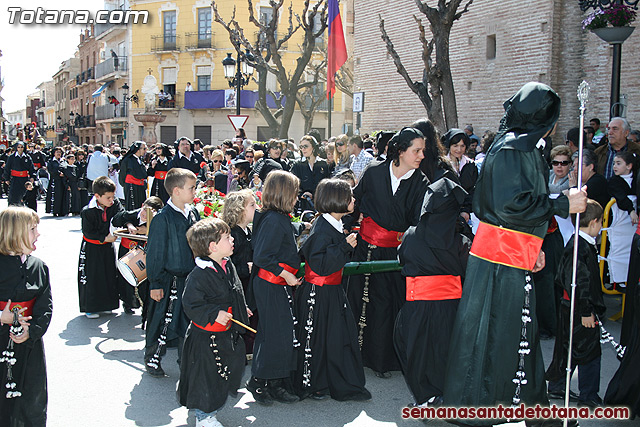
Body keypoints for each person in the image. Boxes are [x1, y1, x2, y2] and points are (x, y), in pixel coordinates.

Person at [443, 82, 587, 427]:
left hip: (509, 252)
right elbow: (510, 205)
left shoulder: (517, 146)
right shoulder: (513, 149)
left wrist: (531, 246)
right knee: (499, 332)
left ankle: (534, 410)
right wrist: (564, 202)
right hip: (498, 258)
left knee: (521, 330)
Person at [348, 127, 429, 377]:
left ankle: (382, 361)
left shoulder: (420, 182)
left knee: (386, 306)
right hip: (364, 249)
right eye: (416, 150)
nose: (421, 156)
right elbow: (355, 203)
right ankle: (353, 355)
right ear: (400, 151)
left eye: (423, 151)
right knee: (356, 301)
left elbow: (418, 222)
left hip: (394, 256)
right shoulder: (373, 172)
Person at [293, 178, 371, 402]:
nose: (354, 200)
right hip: (319, 292)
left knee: (333, 337)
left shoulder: (332, 224)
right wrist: (345, 246)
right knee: (318, 339)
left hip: (331, 291)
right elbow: (320, 265)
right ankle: (314, 384)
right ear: (336, 200)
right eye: (350, 196)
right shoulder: (323, 228)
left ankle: (326, 381)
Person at [395, 178, 471, 408]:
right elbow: (470, 271)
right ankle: (445, 397)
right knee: (447, 354)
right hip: (451, 309)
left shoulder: (410, 235)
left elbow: (403, 259)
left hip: (416, 308)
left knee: (416, 353)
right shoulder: (461, 241)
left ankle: (426, 398)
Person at [177, 218, 250, 427]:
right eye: (227, 237)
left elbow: (235, 291)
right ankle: (203, 417)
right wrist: (213, 313)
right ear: (212, 246)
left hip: (224, 333)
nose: (232, 239)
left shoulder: (227, 265)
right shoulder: (198, 275)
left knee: (221, 374)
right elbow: (190, 304)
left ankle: (210, 410)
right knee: (205, 377)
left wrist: (239, 308)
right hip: (205, 337)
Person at [246, 170, 302, 405]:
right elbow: (262, 256)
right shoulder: (274, 219)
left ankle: (273, 381)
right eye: (295, 193)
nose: (297, 197)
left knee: (278, 335)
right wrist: (287, 275)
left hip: (274, 283)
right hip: (271, 283)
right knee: (274, 335)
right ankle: (260, 381)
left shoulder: (275, 217)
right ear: (284, 193)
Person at [546, 200, 606, 408]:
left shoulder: (575, 243)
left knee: (566, 347)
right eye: (601, 223)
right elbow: (580, 282)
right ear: (595, 222)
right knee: (590, 352)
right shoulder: (581, 247)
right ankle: (588, 394)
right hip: (580, 308)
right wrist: (586, 310)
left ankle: (557, 384)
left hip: (569, 305)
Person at [0, 206, 52, 426]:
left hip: (29, 346)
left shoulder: (39, 267)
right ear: (15, 232)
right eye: (32, 229)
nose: (38, 234)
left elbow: (45, 307)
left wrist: (32, 331)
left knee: (32, 400)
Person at [145, 168, 199, 377]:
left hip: (190, 277)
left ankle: (186, 361)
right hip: (169, 280)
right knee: (162, 320)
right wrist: (156, 283)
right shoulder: (162, 218)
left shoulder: (192, 212)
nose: (195, 191)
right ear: (176, 191)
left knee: (188, 321)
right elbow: (155, 253)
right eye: (191, 188)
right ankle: (153, 357)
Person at [78, 176, 124, 319]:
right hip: (92, 247)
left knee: (109, 273)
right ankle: (90, 307)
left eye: (113, 197)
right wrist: (104, 238)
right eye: (108, 198)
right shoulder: (88, 211)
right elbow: (88, 233)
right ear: (97, 196)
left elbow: (121, 215)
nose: (111, 200)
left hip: (107, 246)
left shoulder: (114, 204)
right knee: (93, 276)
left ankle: (107, 304)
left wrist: (127, 224)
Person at [112, 196, 164, 317]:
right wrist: (129, 224)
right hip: (127, 250)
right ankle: (128, 302)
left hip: (144, 253)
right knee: (124, 278)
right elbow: (117, 219)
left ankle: (145, 307)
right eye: (145, 210)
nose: (145, 214)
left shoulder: (157, 220)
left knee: (144, 281)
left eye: (150, 212)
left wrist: (146, 230)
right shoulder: (132, 214)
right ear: (142, 206)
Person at [222, 190, 257, 356]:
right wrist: (246, 268)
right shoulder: (234, 233)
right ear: (239, 210)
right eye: (252, 205)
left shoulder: (247, 231)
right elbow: (228, 264)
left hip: (247, 282)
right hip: (240, 283)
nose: (256, 207)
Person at [605, 151, 637, 291]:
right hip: (619, 223)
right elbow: (620, 197)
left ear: (629, 166)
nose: (614, 167)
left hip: (632, 225)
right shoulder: (613, 181)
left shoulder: (636, 179)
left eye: (618, 163)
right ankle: (617, 280)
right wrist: (631, 210)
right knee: (617, 250)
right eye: (613, 163)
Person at [290, 135, 331, 211]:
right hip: (303, 205)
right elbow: (292, 184)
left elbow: (327, 184)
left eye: (305, 146)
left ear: (313, 147)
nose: (303, 149)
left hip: (321, 204)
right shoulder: (297, 164)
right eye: (301, 147)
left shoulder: (323, 164)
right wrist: (302, 194)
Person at [3, 141, 35, 206]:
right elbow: (7, 168)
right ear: (16, 148)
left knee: (25, 195)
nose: (20, 149)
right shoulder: (12, 157)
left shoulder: (27, 157)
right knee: (13, 196)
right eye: (18, 147)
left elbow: (31, 168)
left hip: (24, 179)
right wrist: (7, 178)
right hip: (15, 179)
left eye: (22, 147)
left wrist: (32, 177)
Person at [118, 141, 148, 210]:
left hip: (140, 187)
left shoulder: (140, 159)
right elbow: (122, 175)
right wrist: (126, 185)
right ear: (138, 150)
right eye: (144, 149)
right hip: (131, 187)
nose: (145, 151)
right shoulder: (127, 160)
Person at [45, 147, 62, 213]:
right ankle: (54, 211)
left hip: (61, 180)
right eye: (57, 152)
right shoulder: (51, 161)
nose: (58, 153)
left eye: (60, 152)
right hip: (54, 180)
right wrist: (58, 173)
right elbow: (50, 170)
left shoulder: (62, 161)